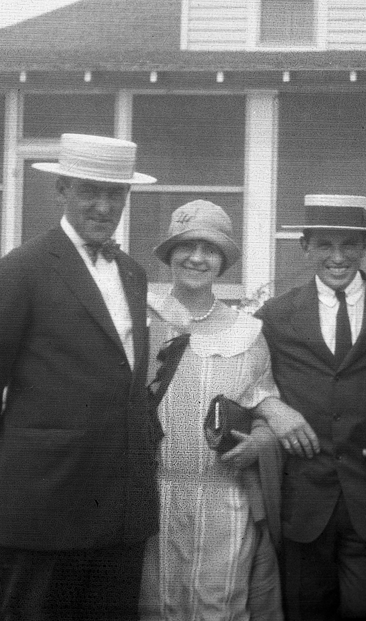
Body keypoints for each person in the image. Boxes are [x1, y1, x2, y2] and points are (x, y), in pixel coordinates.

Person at [0, 133, 159, 621]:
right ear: (61, 190)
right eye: (90, 191)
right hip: (41, 515)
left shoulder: (131, 273)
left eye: (116, 193)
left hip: (119, 515)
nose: (104, 206)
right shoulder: (21, 271)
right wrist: (18, 472)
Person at [255, 194, 366, 621]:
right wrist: (273, 407)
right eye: (325, 245)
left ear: (365, 247)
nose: (338, 257)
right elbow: (245, 384)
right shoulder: (274, 317)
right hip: (304, 511)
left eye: (349, 244)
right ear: (305, 247)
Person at [139, 199, 284, 621]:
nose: (197, 258)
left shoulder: (248, 333)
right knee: (156, 609)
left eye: (211, 249)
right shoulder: (144, 321)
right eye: (187, 246)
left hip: (225, 499)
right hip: (154, 497)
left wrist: (260, 441)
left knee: (217, 610)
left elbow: (263, 408)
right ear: (169, 254)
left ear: (223, 261)